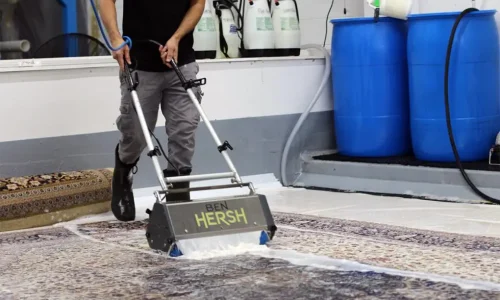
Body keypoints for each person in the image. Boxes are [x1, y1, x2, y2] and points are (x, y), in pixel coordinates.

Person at [99, 0, 205, 222]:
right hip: (140, 64)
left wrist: (176, 37)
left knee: (184, 129)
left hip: (181, 62)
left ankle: (177, 196)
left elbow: (197, 3)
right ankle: (123, 174)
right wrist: (115, 37)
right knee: (136, 133)